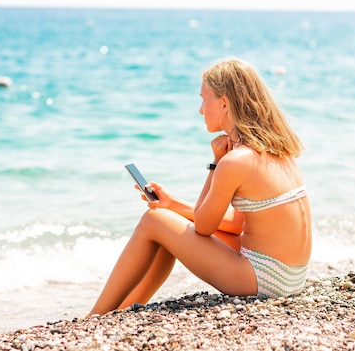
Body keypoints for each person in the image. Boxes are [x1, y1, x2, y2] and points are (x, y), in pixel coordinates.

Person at [87, 58, 312, 315]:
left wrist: (215, 163)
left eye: (204, 99)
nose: (200, 109)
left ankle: (95, 315)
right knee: (165, 221)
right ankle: (124, 309)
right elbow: (237, 224)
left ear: (225, 103)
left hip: (263, 280)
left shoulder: (235, 160)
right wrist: (173, 205)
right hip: (289, 276)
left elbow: (204, 226)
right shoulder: (276, 149)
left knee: (154, 220)